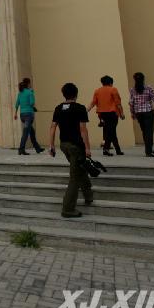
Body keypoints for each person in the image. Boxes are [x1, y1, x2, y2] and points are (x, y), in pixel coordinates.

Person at [49, 83, 93, 218]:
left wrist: (51, 146)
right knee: (75, 177)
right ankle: (67, 209)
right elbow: (83, 130)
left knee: (80, 169)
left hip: (64, 145)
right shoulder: (80, 108)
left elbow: (52, 127)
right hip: (76, 147)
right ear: (76, 94)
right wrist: (87, 148)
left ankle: (88, 196)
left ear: (64, 94)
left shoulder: (58, 108)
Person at [128, 72, 154, 157]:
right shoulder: (149, 88)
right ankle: (149, 151)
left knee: (144, 131)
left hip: (139, 113)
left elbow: (131, 103)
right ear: (143, 79)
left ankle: (148, 149)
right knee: (149, 132)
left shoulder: (132, 90)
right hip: (148, 112)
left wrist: (133, 113)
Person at [87, 76, 125, 156]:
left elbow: (93, 102)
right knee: (111, 131)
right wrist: (121, 113)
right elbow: (118, 103)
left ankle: (118, 150)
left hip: (102, 114)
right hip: (112, 114)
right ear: (111, 83)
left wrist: (87, 110)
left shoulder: (97, 91)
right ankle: (106, 149)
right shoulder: (113, 89)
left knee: (111, 131)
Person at [14, 78, 44, 154]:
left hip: (22, 115)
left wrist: (15, 114)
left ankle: (38, 148)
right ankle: (21, 149)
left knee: (32, 132)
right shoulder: (30, 92)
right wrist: (33, 107)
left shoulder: (20, 93)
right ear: (28, 84)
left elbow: (17, 104)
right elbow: (32, 103)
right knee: (25, 133)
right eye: (30, 83)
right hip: (29, 115)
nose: (31, 84)